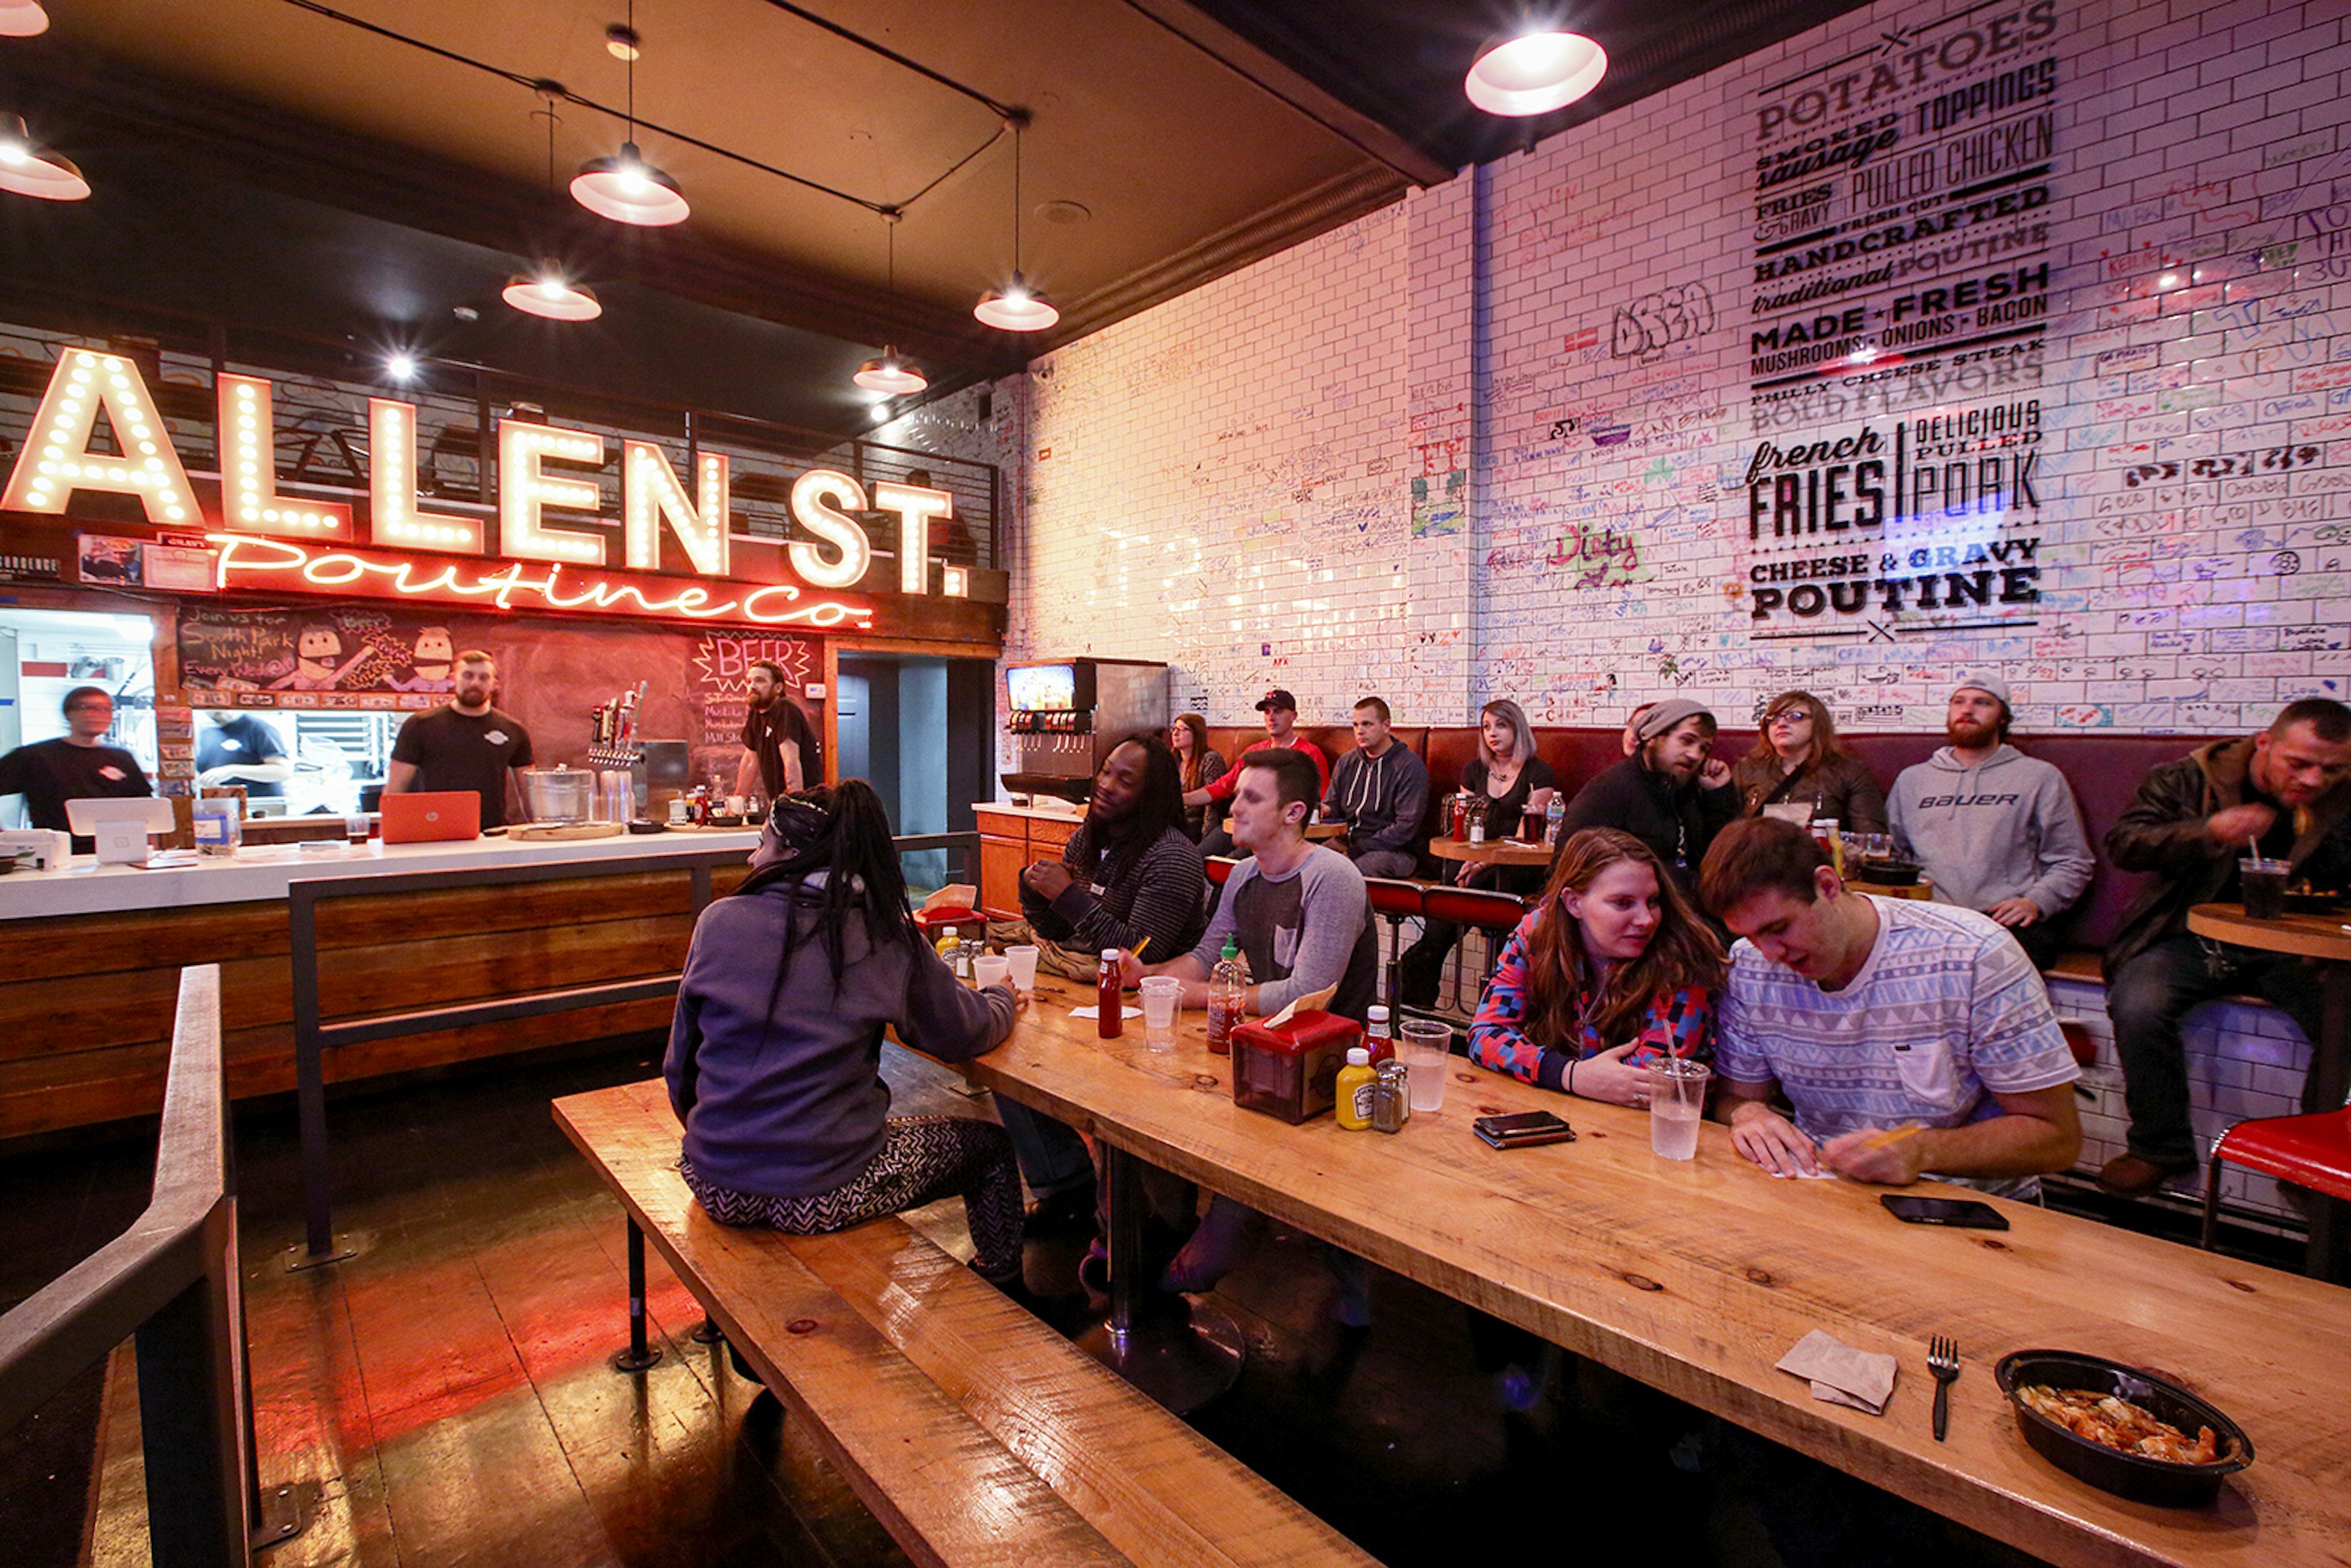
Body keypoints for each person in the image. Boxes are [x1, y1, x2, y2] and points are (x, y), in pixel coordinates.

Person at [664, 781, 1032, 1304]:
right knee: (991, 1148)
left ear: (793, 853)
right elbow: (961, 1033)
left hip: (713, 1178)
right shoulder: (883, 934)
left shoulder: (718, 921)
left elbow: (680, 1069)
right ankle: (1004, 1293)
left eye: (763, 843)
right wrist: (999, 997)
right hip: (824, 1188)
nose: (752, 854)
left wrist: (728, 1143)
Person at [1700, 817, 2082, 1199]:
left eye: (1778, 928)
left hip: (1966, 1207)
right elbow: (1739, 1098)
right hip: (1826, 1195)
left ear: (1828, 886)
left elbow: (2057, 1138)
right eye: (1750, 936)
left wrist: (1922, 1151)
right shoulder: (1750, 964)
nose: (1770, 954)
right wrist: (1748, 1115)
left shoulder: (1975, 954)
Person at [1127, 748, 1379, 1309]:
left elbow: (1307, 995)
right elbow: (1205, 956)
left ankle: (1309, 1255)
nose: (1233, 806)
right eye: (1236, 794)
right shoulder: (1243, 874)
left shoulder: (1332, 877)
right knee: (1141, 1108)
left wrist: (1193, 995)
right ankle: (1154, 1241)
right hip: (1261, 1050)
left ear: (1293, 812)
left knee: (1199, 1261)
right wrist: (1147, 976)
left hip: (1334, 1069)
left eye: (1250, 797)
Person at [2094, 697, 2351, 1195]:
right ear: (2264, 743)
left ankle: (2312, 1165)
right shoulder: (2188, 777)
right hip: (2190, 934)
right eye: (2299, 764)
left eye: (2332, 769)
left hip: (2296, 945)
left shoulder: (2344, 798)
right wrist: (2207, 829)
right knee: (2139, 1001)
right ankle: (2157, 1147)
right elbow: (2125, 844)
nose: (2314, 780)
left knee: (2345, 1020)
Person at [1000, 734, 1207, 1234]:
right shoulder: (1090, 837)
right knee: (1003, 1052)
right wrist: (1035, 894)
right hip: (1089, 990)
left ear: (1151, 794)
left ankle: (1153, 1222)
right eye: (1106, 771)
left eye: (1124, 779)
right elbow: (1058, 930)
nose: (1106, 785)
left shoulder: (1172, 857)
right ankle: (1062, 1187)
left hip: (1159, 1014)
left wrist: (1068, 896)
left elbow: (1141, 954)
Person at [1468, 828, 1723, 1103]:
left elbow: (1652, 1082)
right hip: (1567, 1109)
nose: (1647, 919)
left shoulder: (1680, 958)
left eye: (1653, 901)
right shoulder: (1537, 933)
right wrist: (1569, 1074)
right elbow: (1485, 1034)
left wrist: (1560, 1075)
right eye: (1624, 903)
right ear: (1574, 903)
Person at [1887, 672, 2093, 971]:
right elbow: (1895, 857)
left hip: (2006, 921)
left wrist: (2035, 902)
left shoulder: (2039, 777)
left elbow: (2073, 861)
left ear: (2002, 718)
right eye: (1959, 702)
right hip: (1932, 918)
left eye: (1982, 703)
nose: (1967, 710)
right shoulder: (1912, 780)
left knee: (1970, 974)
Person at [1397, 699, 1558, 1007]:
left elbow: (1529, 834)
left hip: (1517, 865)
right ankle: (1417, 999)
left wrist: (1483, 861)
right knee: (1451, 890)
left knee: (1475, 886)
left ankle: (1493, 996)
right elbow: (1465, 824)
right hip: (1473, 863)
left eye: (1501, 725)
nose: (1492, 734)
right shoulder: (1474, 770)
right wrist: (1473, 860)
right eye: (1486, 727)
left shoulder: (1539, 772)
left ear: (1518, 729)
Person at [1556, 697, 1737, 899]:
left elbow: (1731, 857)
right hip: (1637, 910)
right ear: (1652, 737)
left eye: (1704, 748)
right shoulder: (1610, 790)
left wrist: (1719, 795)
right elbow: (1568, 865)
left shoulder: (1691, 790)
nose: (1695, 755)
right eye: (1686, 741)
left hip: (1692, 908)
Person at [384, 650, 533, 828]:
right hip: (433, 835)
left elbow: (530, 793)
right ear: (453, 679)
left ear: (494, 684)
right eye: (468, 676)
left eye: (483, 678)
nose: (475, 683)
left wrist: (543, 835)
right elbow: (396, 789)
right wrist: (390, 835)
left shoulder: (513, 730)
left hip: (492, 836)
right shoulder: (420, 726)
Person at [1185, 689, 1331, 857]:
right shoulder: (1254, 752)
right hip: (1241, 824)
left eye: (1278, 711)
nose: (1271, 717)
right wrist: (1184, 798)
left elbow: (1322, 801)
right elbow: (1223, 786)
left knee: (1230, 864)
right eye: (1267, 712)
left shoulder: (1309, 754)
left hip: (1275, 832)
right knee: (1196, 858)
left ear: (1293, 716)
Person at [0, 686, 151, 846]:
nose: (96, 714)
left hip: (117, 851)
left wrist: (149, 848)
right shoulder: (34, 756)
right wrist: (5, 839)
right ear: (68, 714)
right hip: (56, 856)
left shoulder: (122, 758)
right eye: (86, 708)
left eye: (105, 709)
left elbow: (146, 809)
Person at [1731, 690, 1886, 833]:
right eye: (1774, 719)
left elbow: (1870, 838)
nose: (1782, 724)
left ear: (1818, 724)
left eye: (1796, 716)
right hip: (1759, 858)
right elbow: (1728, 832)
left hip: (1821, 859)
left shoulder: (1849, 772)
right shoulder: (1746, 770)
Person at [1321, 696, 1429, 879]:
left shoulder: (1409, 766)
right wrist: (1325, 810)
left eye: (1367, 724)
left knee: (1349, 872)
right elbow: (1334, 805)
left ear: (1386, 726)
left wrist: (1358, 850)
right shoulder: (1347, 762)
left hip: (1394, 850)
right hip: (1346, 842)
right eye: (1355, 725)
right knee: (1306, 861)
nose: (1360, 731)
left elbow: (1405, 827)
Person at [737, 659, 819, 800]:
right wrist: (736, 803)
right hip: (780, 803)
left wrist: (794, 805)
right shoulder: (756, 714)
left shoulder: (784, 709)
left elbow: (791, 760)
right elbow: (750, 761)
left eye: (760, 681)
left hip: (807, 804)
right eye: (749, 682)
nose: (752, 686)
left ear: (778, 688)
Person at [197, 711, 292, 799]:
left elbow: (283, 771)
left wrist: (232, 770)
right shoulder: (207, 733)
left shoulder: (257, 728)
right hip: (221, 807)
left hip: (258, 808)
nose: (216, 709)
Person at [1171, 712, 1225, 840]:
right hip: (1175, 821)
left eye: (1182, 729)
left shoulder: (1210, 759)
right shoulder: (1172, 761)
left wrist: (1206, 839)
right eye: (1174, 729)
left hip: (1195, 824)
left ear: (1197, 733)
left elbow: (1213, 805)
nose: (1175, 734)